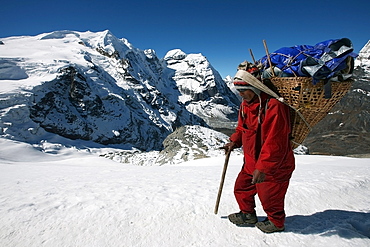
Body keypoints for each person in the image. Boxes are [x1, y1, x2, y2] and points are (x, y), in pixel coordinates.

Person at [224, 62, 295, 233]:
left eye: (244, 90)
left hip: (274, 165)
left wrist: (263, 167)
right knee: (241, 188)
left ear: (255, 87)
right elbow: (242, 128)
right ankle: (247, 214)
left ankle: (276, 222)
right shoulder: (245, 105)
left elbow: (275, 142)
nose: (241, 95)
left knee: (270, 196)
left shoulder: (274, 106)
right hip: (251, 161)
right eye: (239, 91)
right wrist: (234, 141)